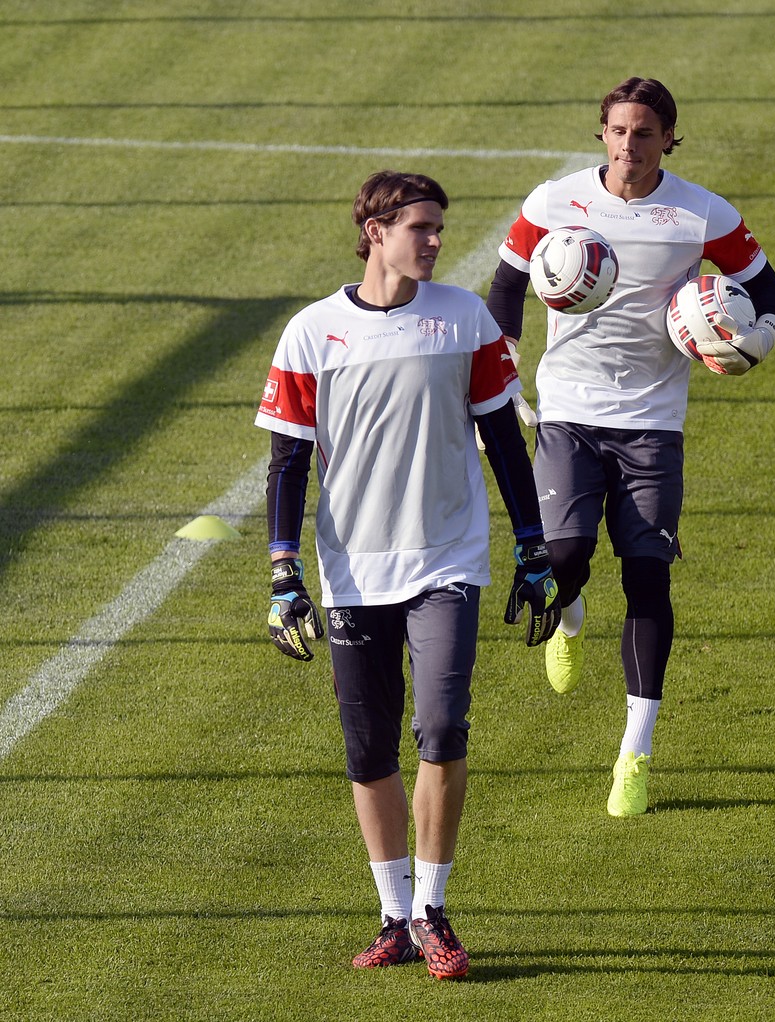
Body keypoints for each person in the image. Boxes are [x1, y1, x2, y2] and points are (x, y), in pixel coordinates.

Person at [255, 170, 558, 979]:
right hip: (353, 571)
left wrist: (534, 546)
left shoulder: (462, 319)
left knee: (442, 727)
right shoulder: (312, 333)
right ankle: (392, 913)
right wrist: (283, 569)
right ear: (375, 230)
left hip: (446, 561)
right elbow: (286, 464)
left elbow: (502, 440)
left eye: (438, 229)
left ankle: (433, 909)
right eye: (419, 227)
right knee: (367, 748)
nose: (433, 241)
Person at [485, 77, 775, 817]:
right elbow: (505, 281)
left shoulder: (701, 215)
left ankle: (635, 752)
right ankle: (570, 615)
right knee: (564, 562)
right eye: (618, 131)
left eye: (645, 132)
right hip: (567, 413)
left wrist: (753, 343)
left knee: (650, 578)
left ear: (669, 139)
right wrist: (505, 363)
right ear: (602, 134)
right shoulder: (554, 202)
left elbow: (771, 292)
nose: (629, 145)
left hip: (654, 423)